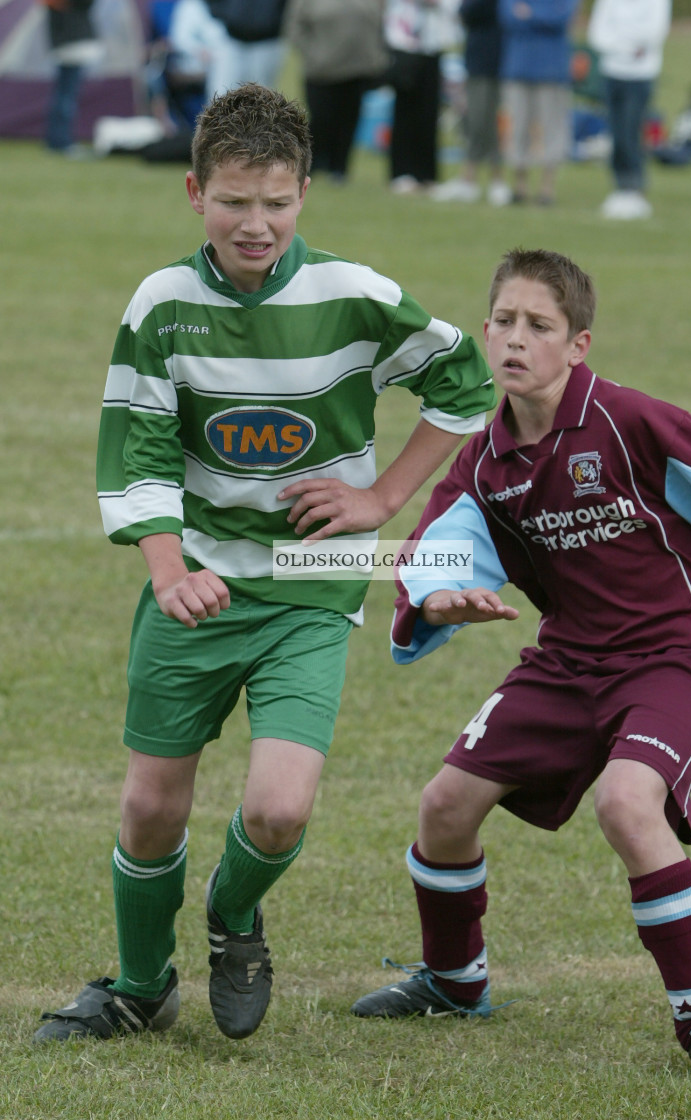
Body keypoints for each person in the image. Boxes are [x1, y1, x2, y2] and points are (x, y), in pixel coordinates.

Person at [32, 82, 496, 1045]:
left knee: (278, 811)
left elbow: (465, 384)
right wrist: (167, 567)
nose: (257, 224)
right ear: (193, 192)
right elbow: (140, 449)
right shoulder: (162, 305)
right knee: (151, 807)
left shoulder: (354, 295)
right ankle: (138, 985)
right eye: (235, 201)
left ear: (305, 194)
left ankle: (234, 918)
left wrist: (380, 500)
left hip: (309, 578)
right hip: (198, 575)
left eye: (277, 202)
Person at [351, 247, 691, 1088]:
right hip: (570, 660)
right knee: (445, 806)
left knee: (626, 803)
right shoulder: (484, 463)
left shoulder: (630, 422)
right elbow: (435, 550)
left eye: (539, 326)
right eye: (502, 322)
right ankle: (455, 984)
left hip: (679, 651)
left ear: (578, 344)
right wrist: (439, 597)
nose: (514, 340)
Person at [284, 0, 388, 183]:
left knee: (349, 119)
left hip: (358, 68)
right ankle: (312, 165)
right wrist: (312, 54)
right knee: (321, 118)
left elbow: (380, 24)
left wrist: (377, 56)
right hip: (321, 69)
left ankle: (339, 168)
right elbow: (294, 27)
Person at [587, 0, 672, 221]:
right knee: (616, 131)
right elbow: (597, 34)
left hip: (641, 75)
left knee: (631, 130)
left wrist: (624, 41)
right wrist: (623, 46)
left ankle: (635, 188)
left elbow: (653, 33)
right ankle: (620, 187)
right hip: (612, 72)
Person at [498, 0, 580, 205]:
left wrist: (530, 14)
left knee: (553, 127)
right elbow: (508, 17)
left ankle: (547, 187)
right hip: (518, 68)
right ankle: (520, 185)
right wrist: (542, 17)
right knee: (518, 127)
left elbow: (561, 18)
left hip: (552, 71)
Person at [429, 0, 511, 206]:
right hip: (482, 59)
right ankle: (478, 179)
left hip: (493, 60)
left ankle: (483, 179)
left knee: (483, 120)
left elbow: (468, 12)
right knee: (479, 119)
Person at [384, 0, 462, 194]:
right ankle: (402, 173)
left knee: (429, 113)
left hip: (432, 46)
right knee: (405, 112)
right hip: (405, 46)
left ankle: (426, 174)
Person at [43, 0, 102, 156]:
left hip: (65, 43)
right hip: (72, 44)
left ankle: (57, 139)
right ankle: (61, 141)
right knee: (66, 96)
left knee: (63, 94)